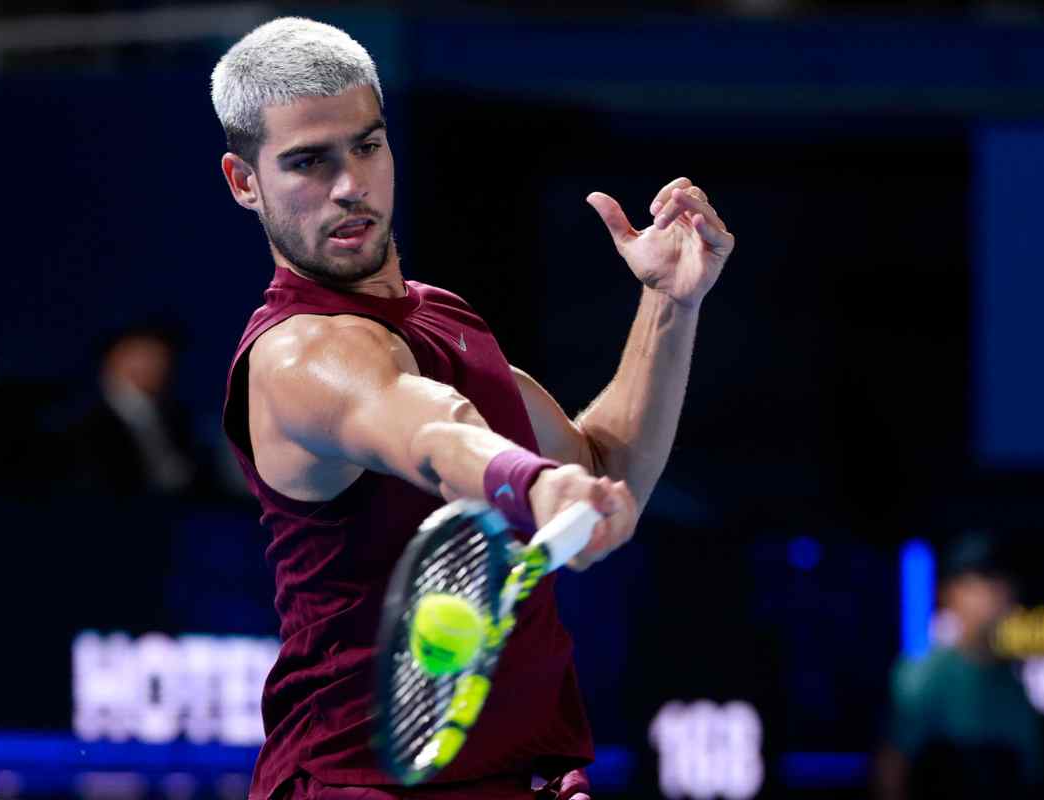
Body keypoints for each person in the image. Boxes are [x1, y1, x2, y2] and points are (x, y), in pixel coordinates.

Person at [211, 17, 735, 800]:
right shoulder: (296, 356)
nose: (350, 184)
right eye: (308, 162)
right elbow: (426, 432)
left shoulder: (442, 317)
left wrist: (667, 306)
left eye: (367, 145)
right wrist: (530, 486)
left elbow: (601, 466)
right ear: (244, 181)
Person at [874, 533, 1044, 800]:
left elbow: (1027, 774)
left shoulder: (1014, 686)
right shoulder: (923, 676)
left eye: (1000, 583)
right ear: (949, 593)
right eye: (978, 583)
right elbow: (891, 770)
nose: (993, 595)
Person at [67, 324, 199, 497]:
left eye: (160, 355)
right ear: (113, 357)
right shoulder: (83, 419)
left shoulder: (178, 417)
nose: (154, 364)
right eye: (142, 355)